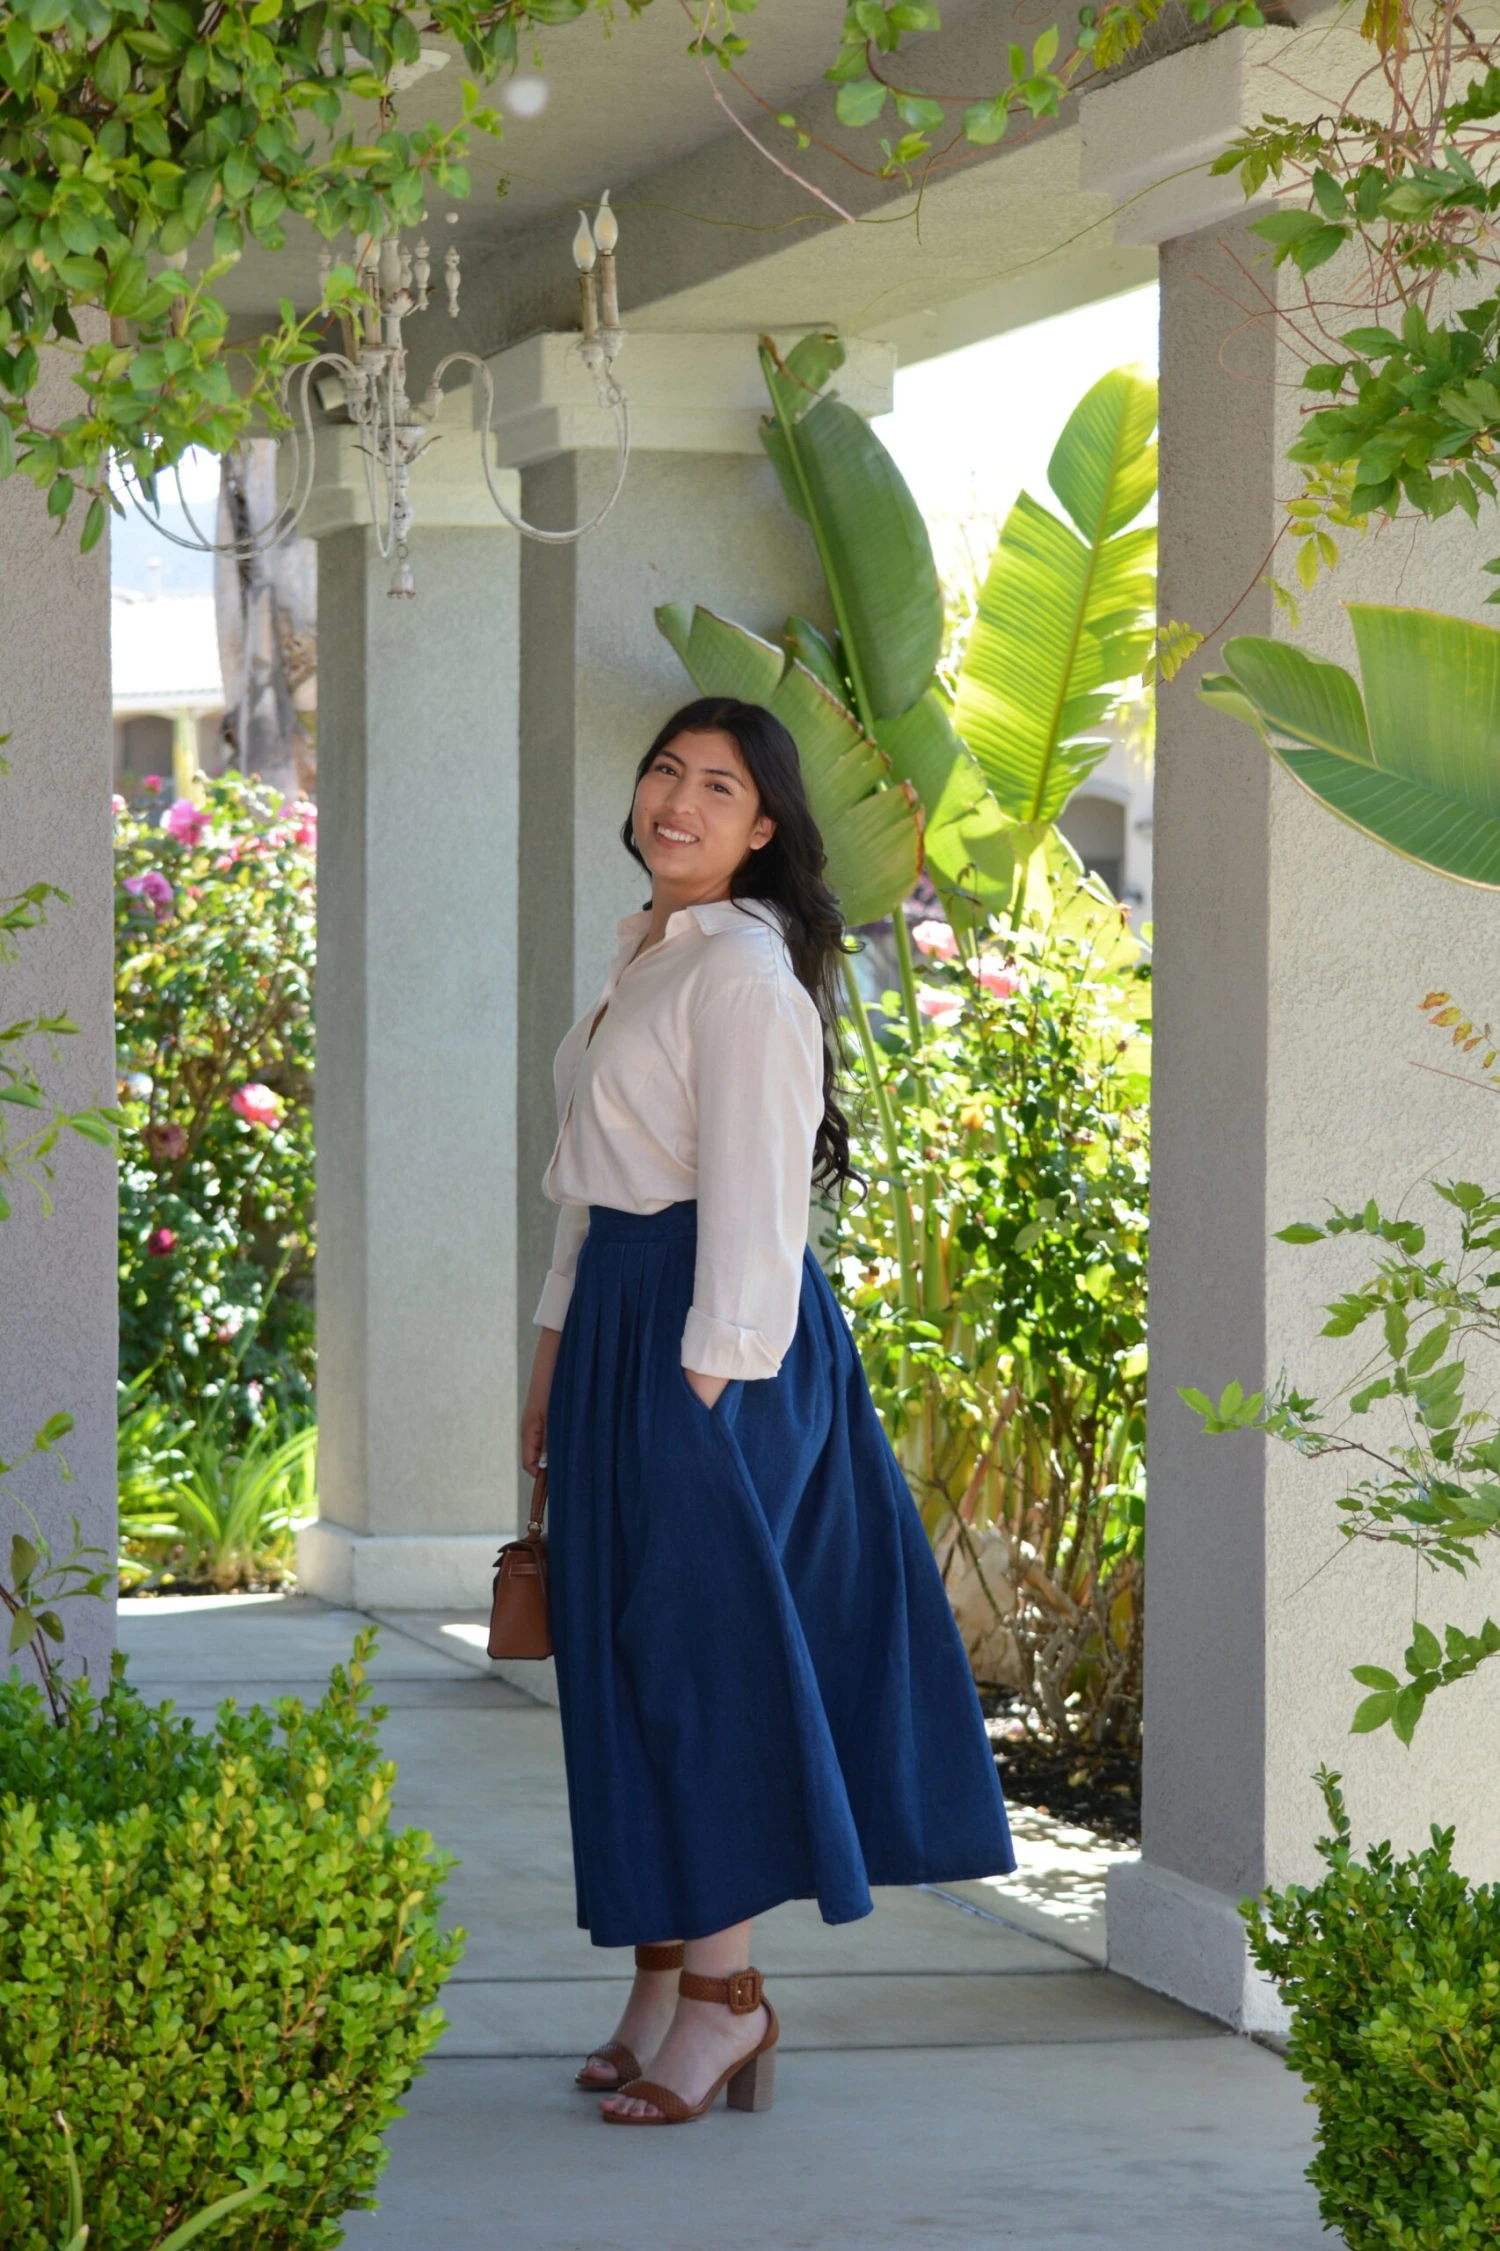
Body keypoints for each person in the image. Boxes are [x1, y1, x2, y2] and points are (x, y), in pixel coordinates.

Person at [521, 695, 1015, 2127]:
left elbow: (756, 1208)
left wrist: (696, 1397)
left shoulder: (743, 975)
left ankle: (727, 2003)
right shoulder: (646, 953)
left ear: (763, 828)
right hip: (623, 1321)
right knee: (622, 1664)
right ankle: (660, 1979)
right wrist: (552, 1360)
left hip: (712, 1345)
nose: (677, 799)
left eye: (719, 785)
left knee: (701, 1667)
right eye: (663, 769)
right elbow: (590, 1193)